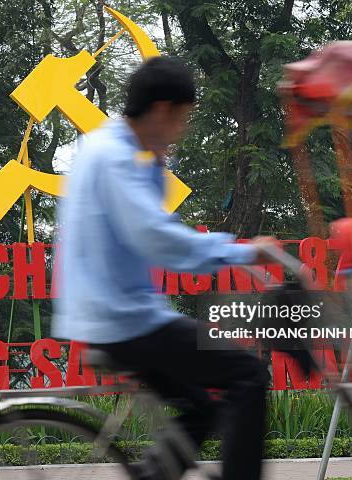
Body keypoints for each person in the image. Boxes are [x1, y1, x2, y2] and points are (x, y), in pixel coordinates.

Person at [53, 56, 275, 480]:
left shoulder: (107, 148)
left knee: (201, 408)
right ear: (162, 111)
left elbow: (148, 219)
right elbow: (158, 238)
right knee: (247, 375)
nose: (182, 131)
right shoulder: (115, 159)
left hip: (110, 317)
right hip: (125, 321)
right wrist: (242, 252)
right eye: (182, 119)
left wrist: (157, 161)